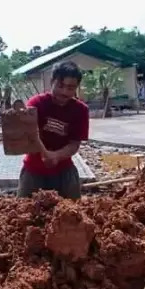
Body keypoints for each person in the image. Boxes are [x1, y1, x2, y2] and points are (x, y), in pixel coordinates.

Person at [18, 61, 89, 200]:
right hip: (33, 172)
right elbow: (27, 136)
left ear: (76, 87)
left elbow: (74, 144)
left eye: (70, 88)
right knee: (24, 216)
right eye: (60, 86)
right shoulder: (36, 104)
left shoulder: (80, 110)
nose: (64, 92)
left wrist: (56, 156)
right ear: (52, 82)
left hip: (64, 173)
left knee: (72, 215)